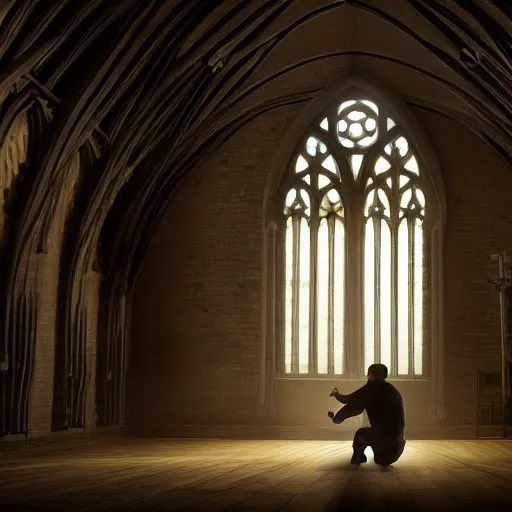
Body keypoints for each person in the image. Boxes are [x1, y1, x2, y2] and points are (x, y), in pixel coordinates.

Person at [327, 363, 406, 466]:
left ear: (371, 375)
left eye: (368, 374)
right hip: (397, 448)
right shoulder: (393, 391)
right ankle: (364, 456)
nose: (367, 376)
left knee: (360, 434)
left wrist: (336, 394)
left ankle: (358, 458)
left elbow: (348, 399)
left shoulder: (369, 390)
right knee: (379, 454)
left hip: (384, 446)